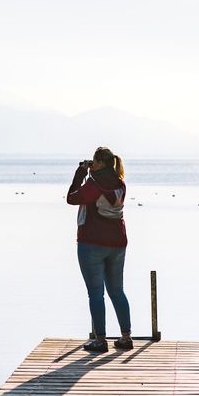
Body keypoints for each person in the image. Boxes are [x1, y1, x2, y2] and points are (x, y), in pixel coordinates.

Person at [66, 146, 131, 352]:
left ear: (100, 163)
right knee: (117, 291)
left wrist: (80, 173)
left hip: (92, 243)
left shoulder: (93, 185)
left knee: (95, 293)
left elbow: (71, 198)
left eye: (94, 161)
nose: (91, 164)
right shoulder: (120, 184)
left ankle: (100, 341)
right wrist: (90, 172)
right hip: (118, 244)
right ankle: (126, 337)